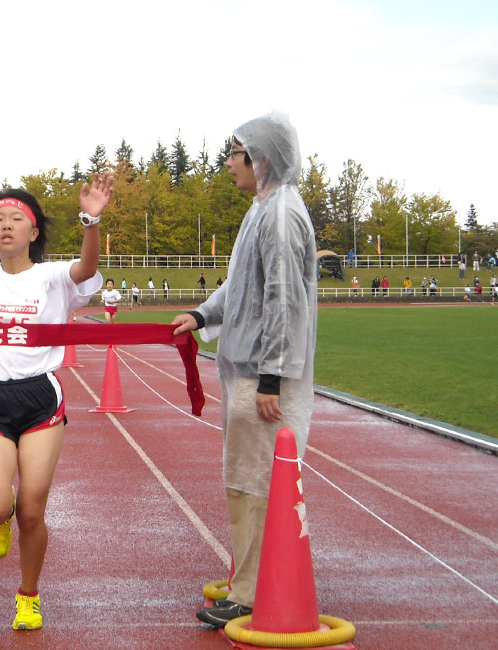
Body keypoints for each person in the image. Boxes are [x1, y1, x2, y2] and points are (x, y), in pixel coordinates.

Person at [0, 132, 112, 632]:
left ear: (34, 230)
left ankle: (28, 595)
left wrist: (91, 220)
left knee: (32, 511)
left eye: (17, 218)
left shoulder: (55, 277)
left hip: (41, 397)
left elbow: (89, 266)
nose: (7, 224)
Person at [172, 113, 317, 629]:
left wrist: (273, 378)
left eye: (237, 153)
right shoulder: (263, 209)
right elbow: (241, 286)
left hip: (265, 376)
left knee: (258, 483)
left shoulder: (279, 215)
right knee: (244, 480)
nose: (230, 163)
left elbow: (282, 300)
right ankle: (250, 581)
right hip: (254, 369)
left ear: (263, 160)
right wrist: (202, 314)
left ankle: (255, 593)